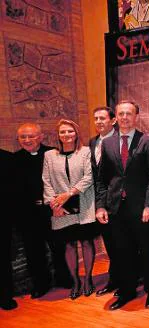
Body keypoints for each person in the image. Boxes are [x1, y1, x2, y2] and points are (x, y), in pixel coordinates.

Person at [95, 100, 149, 310]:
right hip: (116, 209)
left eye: (129, 114)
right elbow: (101, 179)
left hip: (141, 209)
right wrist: (100, 206)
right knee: (123, 254)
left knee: (146, 252)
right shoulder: (107, 144)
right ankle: (127, 292)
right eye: (121, 113)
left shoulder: (147, 142)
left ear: (136, 117)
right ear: (116, 117)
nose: (125, 117)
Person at [14, 123, 72, 298]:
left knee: (58, 246)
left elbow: (62, 181)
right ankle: (41, 284)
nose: (27, 140)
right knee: (34, 251)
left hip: (51, 209)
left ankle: (64, 278)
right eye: (23, 137)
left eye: (31, 136)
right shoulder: (14, 159)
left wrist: (59, 205)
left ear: (40, 137)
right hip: (28, 213)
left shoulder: (53, 154)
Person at [42, 119, 98, 300]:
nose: (66, 135)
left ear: (76, 133)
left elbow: (90, 177)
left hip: (84, 203)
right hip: (60, 208)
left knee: (87, 242)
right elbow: (46, 181)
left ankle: (88, 279)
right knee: (68, 244)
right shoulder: (50, 155)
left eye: (70, 131)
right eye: (63, 132)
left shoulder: (86, 152)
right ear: (57, 135)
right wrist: (54, 204)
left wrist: (69, 194)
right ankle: (75, 281)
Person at [88, 106, 120, 297]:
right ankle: (114, 280)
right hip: (101, 203)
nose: (99, 122)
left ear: (113, 120)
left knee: (123, 244)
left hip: (120, 202)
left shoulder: (122, 141)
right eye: (96, 119)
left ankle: (126, 280)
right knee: (110, 244)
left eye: (102, 118)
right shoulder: (92, 143)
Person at [0, 148, 17, 310]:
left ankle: (5, 296)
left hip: (3, 217)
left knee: (3, 258)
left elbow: (14, 190)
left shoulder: (6, 158)